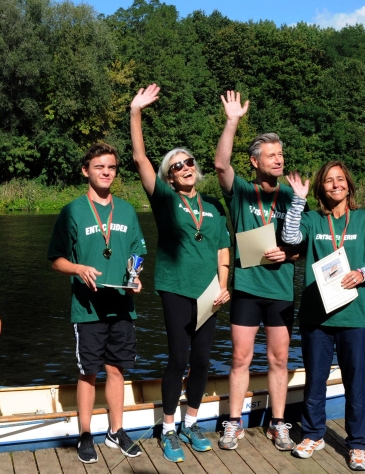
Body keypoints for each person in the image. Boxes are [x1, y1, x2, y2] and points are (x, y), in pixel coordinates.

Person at [130, 84, 231, 463]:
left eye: (189, 163)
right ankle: (168, 429)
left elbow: (223, 248)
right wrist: (135, 111)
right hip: (175, 288)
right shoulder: (165, 199)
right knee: (178, 359)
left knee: (203, 360)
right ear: (169, 177)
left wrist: (225, 287)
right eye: (177, 166)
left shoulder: (213, 206)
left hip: (210, 292)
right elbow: (139, 157)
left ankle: (191, 422)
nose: (185, 168)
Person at [282, 161, 365, 472]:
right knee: (315, 380)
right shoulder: (313, 220)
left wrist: (363, 273)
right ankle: (314, 434)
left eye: (340, 180)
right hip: (317, 316)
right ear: (321, 188)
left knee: (355, 382)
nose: (335, 185)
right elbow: (290, 239)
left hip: (355, 317)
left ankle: (357, 444)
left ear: (349, 185)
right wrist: (298, 199)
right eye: (328, 181)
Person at [214, 91, 303, 451]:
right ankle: (233, 422)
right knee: (240, 358)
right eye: (271, 155)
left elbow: (300, 247)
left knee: (279, 358)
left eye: (281, 154)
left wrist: (290, 255)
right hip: (248, 287)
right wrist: (232, 120)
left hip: (281, 290)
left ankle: (278, 423)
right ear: (254, 162)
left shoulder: (292, 195)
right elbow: (221, 165)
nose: (279, 159)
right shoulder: (240, 192)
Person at [47, 143, 147, 464]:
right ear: (85, 171)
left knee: (116, 369)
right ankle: (86, 434)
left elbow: (137, 252)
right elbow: (56, 260)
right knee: (89, 371)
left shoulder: (128, 210)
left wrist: (134, 276)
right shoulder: (73, 211)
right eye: (100, 167)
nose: (106, 172)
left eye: (112, 167)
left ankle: (115, 431)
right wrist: (78, 269)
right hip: (87, 307)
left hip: (121, 305)